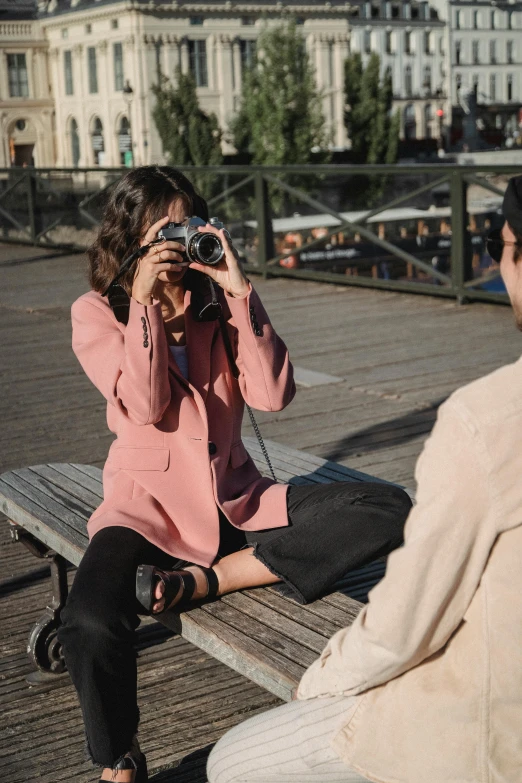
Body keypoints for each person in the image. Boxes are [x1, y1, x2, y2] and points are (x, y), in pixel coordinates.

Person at [58, 166, 411, 783]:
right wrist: (143, 302)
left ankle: (208, 581)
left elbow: (273, 395)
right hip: (147, 511)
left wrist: (240, 289)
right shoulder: (96, 313)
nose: (175, 238)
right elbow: (142, 406)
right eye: (161, 228)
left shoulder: (214, 302)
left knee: (386, 506)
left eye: (184, 223)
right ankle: (119, 757)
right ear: (131, 236)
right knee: (88, 621)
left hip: (237, 504)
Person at [207, 174, 522, 783]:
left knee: (231, 763)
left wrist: (319, 681)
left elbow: (405, 626)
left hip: (487, 734)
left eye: (497, 245)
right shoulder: (107, 315)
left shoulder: (486, 420)